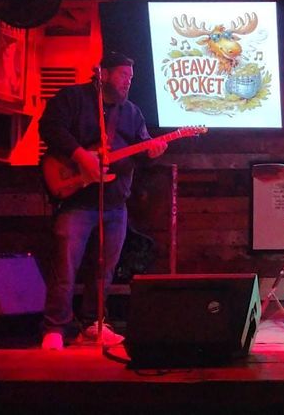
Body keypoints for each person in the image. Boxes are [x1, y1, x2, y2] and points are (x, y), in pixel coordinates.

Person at [37, 52, 167, 350]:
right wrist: (80, 156)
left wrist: (152, 153)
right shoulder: (73, 98)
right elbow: (50, 128)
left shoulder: (132, 113)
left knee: (104, 270)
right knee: (65, 267)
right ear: (103, 74)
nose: (128, 82)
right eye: (123, 75)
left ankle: (94, 323)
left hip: (114, 202)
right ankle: (55, 327)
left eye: (131, 77)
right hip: (77, 200)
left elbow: (140, 153)